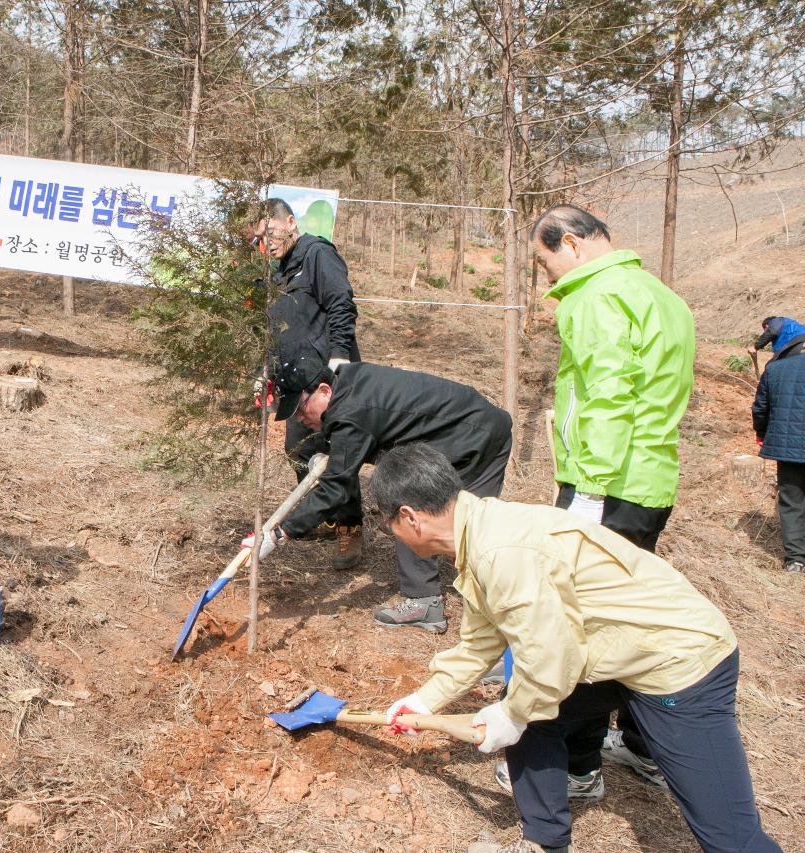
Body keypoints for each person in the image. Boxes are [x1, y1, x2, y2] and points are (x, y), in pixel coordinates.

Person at [376, 444, 781, 853]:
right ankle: (544, 841)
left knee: (730, 835)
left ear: (410, 517)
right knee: (529, 709)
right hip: (619, 652)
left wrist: (511, 716)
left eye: (389, 523)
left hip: (679, 661)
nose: (393, 534)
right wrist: (424, 701)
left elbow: (548, 660)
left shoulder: (501, 551)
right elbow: (481, 643)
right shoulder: (479, 533)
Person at [529, 203, 695, 792]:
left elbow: (607, 396)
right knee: (628, 612)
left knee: (585, 626)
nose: (547, 277)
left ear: (570, 243)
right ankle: (640, 744)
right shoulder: (658, 294)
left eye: (545, 262)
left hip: (609, 484)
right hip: (649, 480)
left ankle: (579, 766)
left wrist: (588, 495)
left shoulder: (597, 296)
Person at [243, 353, 512, 632]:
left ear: (324, 390)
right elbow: (355, 430)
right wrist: (330, 450)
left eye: (299, 409)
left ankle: (482, 618)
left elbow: (336, 489)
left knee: (443, 519)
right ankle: (441, 601)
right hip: (477, 424)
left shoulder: (352, 412)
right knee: (450, 521)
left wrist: (278, 534)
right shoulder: (347, 382)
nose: (299, 418)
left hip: (475, 438)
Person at [252, 198, 362, 569]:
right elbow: (274, 329)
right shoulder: (278, 272)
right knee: (297, 448)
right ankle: (324, 517)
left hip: (329, 378)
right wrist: (264, 371)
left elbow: (341, 303)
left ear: (290, 222)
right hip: (297, 381)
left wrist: (340, 356)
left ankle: (350, 528)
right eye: (261, 238)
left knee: (338, 454)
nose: (268, 240)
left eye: (272, 230)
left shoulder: (317, 254)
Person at [752, 328, 805, 574]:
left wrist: (762, 434)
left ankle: (796, 559)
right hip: (790, 447)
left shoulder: (775, 369)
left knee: (792, 501)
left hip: (789, 448)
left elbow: (760, 409)